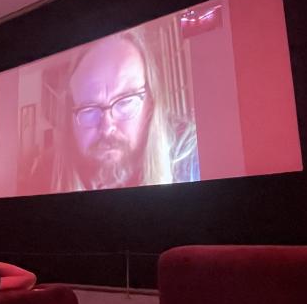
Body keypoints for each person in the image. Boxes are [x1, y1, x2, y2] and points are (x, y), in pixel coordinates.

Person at [52, 30, 199, 192]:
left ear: (150, 104)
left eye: (126, 102)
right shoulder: (46, 172)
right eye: (89, 109)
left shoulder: (190, 157)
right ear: (69, 117)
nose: (107, 128)